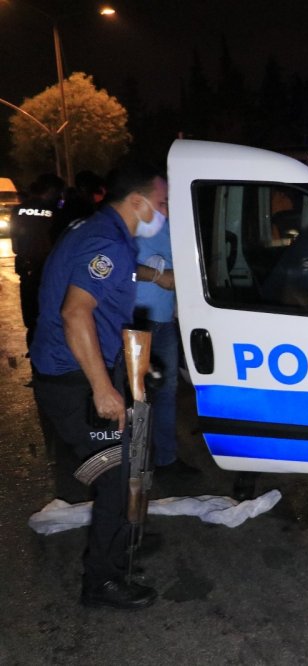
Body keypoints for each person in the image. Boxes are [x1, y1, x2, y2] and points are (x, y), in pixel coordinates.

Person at [30, 161, 169, 610]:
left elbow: (114, 275)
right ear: (137, 201)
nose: (165, 212)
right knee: (117, 475)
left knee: (129, 462)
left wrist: (154, 276)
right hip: (73, 378)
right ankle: (102, 581)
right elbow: (76, 312)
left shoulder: (108, 235)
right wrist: (101, 388)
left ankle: (118, 544)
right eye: (162, 203)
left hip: (82, 370)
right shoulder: (105, 239)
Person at [134, 217, 194, 476]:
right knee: (134, 394)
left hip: (164, 320)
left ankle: (166, 459)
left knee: (166, 392)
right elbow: (113, 267)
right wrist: (157, 276)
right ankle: (131, 462)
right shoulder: (130, 224)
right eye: (161, 199)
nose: (164, 206)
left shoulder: (176, 222)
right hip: (134, 319)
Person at [11, 173, 65, 349]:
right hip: (50, 272)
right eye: (58, 193)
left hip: (27, 270)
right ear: (50, 190)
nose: (59, 197)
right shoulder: (56, 212)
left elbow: (16, 246)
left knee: (32, 319)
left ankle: (35, 356)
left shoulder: (18, 210)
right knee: (51, 318)